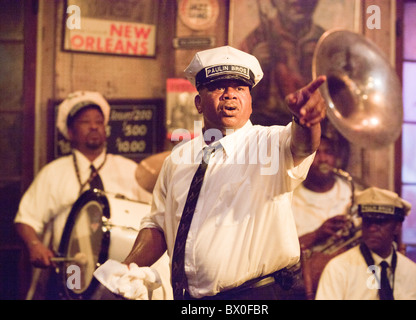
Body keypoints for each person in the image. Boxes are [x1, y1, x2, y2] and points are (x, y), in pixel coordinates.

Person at [122, 45, 327, 300]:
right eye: (218, 87)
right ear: (198, 102)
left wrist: (307, 121)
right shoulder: (177, 160)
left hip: (255, 297)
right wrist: (125, 270)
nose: (230, 95)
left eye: (240, 88)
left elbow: (303, 145)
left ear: (250, 102)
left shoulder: (269, 145)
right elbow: (158, 225)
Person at [14, 91, 157, 300]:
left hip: (122, 276)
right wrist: (35, 245)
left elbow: (154, 217)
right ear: (70, 132)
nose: (94, 126)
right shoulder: (53, 173)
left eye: (99, 122)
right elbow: (25, 219)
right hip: (71, 273)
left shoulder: (131, 171)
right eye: (85, 122)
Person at [315, 187, 416, 300]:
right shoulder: (339, 269)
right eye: (367, 221)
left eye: (380, 222)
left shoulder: (415, 276)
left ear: (397, 227)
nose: (372, 229)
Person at [288, 132, 356, 298]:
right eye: (317, 153)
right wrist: (317, 234)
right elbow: (282, 255)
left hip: (352, 281)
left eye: (329, 153)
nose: (323, 159)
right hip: (307, 288)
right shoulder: (289, 199)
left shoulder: (351, 192)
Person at [240, 0, 324, 126]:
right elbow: (236, 95)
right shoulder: (256, 39)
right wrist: (254, 68)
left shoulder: (325, 41)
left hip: (312, 127)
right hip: (266, 127)